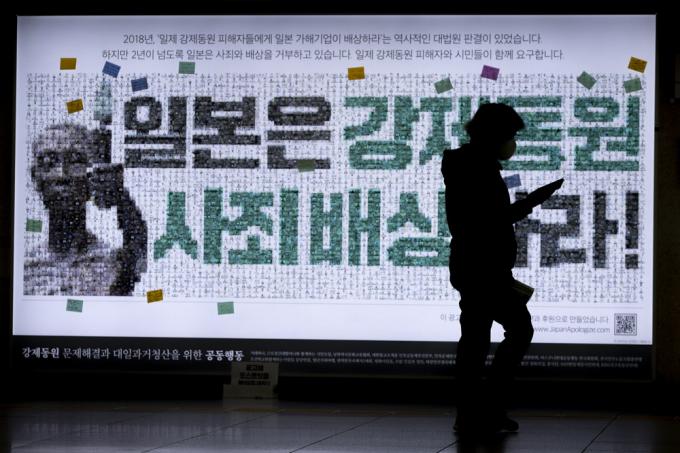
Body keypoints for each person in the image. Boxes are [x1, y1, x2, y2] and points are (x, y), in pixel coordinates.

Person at [441, 103, 563, 435]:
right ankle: (487, 409)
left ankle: (473, 414)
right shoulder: (475, 167)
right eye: (509, 134)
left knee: (476, 340)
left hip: (474, 266)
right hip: (483, 268)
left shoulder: (467, 163)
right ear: (493, 134)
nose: (512, 142)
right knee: (514, 332)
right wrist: (533, 200)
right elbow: (490, 221)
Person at [24, 123, 147, 296]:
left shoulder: (112, 264)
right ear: (35, 177)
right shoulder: (24, 269)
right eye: (48, 163)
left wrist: (122, 199)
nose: (62, 175)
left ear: (93, 176)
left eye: (76, 162)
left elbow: (138, 252)